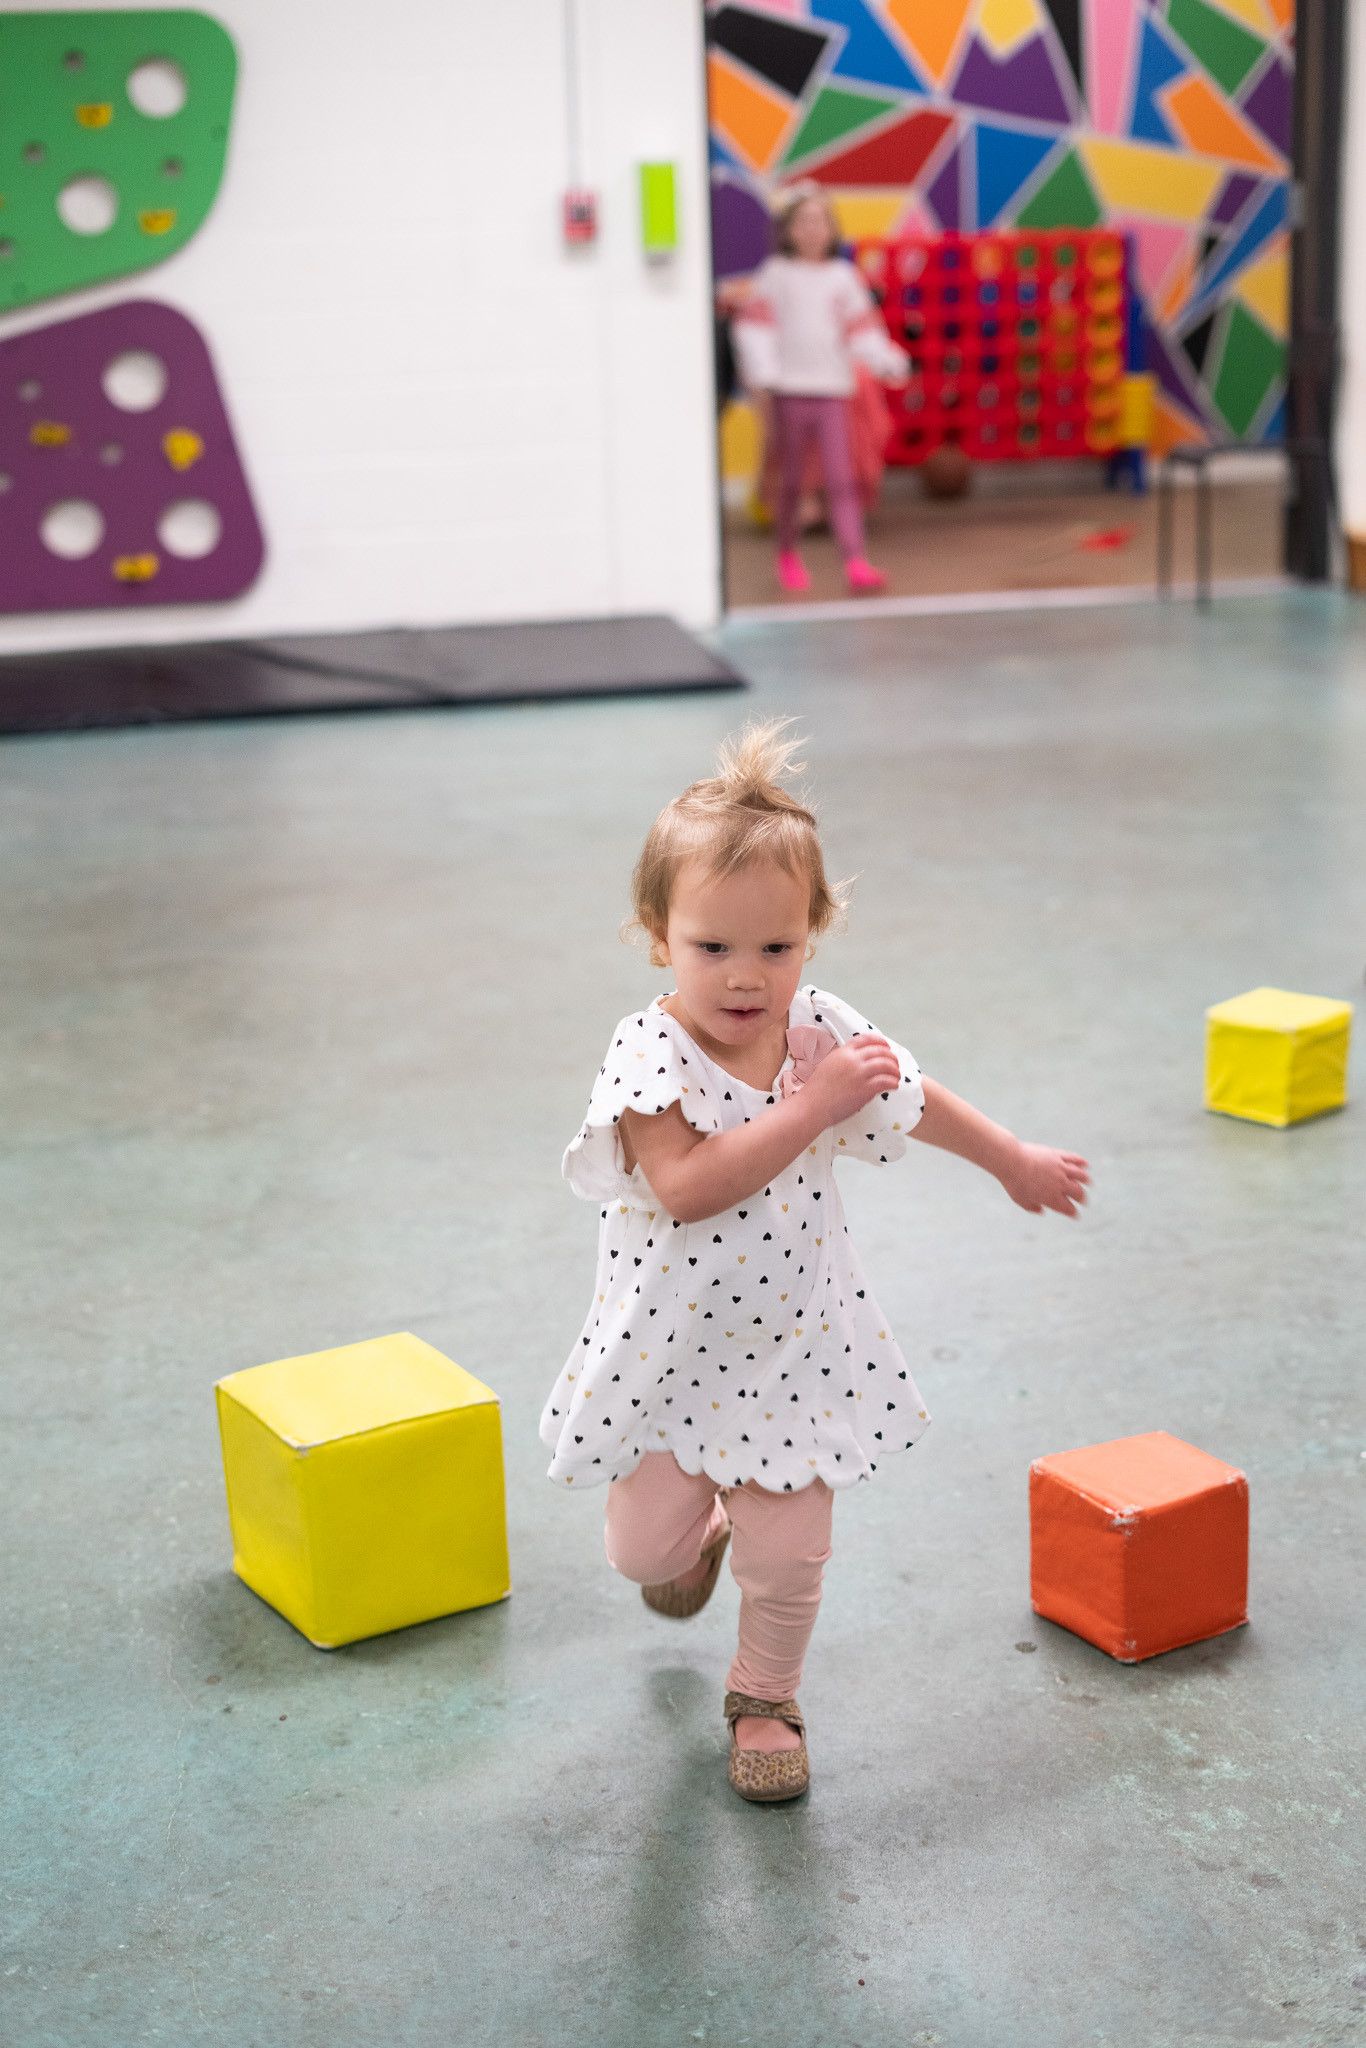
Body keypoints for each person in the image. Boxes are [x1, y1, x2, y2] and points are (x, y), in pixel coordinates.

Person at [539, 721, 1090, 1803]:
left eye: (775, 948)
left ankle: (764, 1696)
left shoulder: (816, 1029)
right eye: (712, 948)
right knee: (640, 1557)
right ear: (658, 935)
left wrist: (1010, 1160)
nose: (746, 978)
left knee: (789, 1559)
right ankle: (698, 1536)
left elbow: (913, 1098)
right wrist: (813, 1108)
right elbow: (690, 1185)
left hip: (796, 1348)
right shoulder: (645, 1048)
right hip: (671, 1356)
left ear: (811, 934)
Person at [732, 188, 909, 596]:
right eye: (804, 222)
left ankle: (855, 560)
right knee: (792, 481)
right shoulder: (775, 275)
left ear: (831, 229)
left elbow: (861, 329)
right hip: (791, 393)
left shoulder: (842, 277)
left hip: (833, 391)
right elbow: (754, 327)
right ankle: (787, 553)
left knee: (841, 478)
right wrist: (766, 370)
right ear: (789, 230)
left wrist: (885, 359)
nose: (812, 230)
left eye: (820, 221)